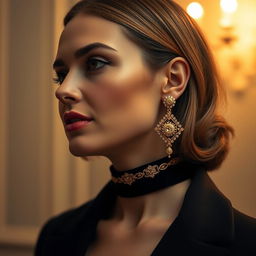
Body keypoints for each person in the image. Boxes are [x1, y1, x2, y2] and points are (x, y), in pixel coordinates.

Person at [35, 0, 256, 255]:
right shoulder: (56, 235)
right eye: (61, 75)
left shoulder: (247, 245)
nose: (63, 90)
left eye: (95, 63)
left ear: (173, 79)